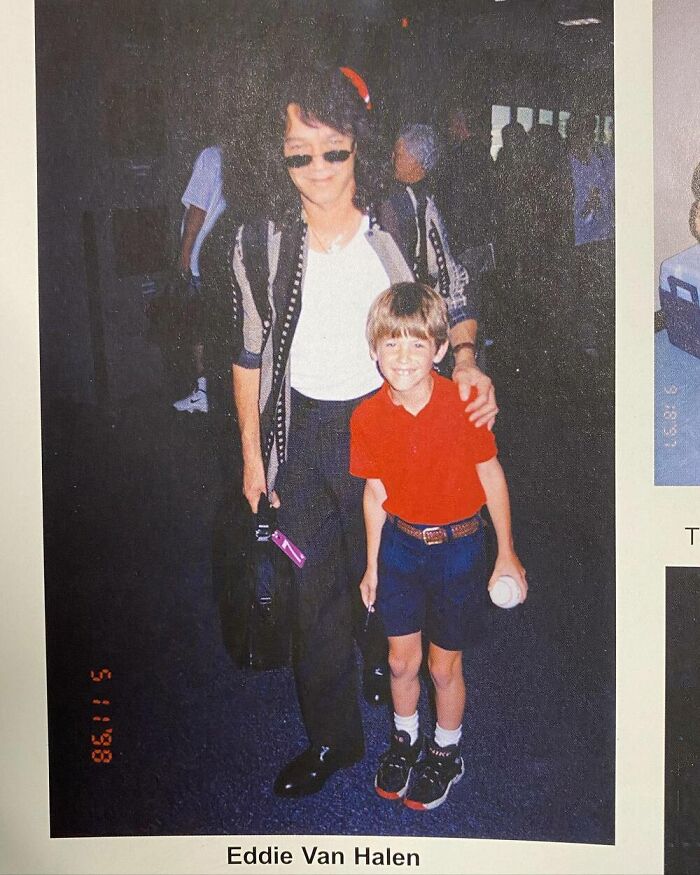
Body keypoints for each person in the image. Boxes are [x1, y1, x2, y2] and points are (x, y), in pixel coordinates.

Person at [229, 63, 497, 798]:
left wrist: (466, 360)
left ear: (360, 145)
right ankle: (333, 739)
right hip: (302, 435)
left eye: (334, 150)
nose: (318, 169)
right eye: (299, 154)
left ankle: (383, 654)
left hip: (395, 425)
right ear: (278, 157)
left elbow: (455, 290)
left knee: (389, 568)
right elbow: (248, 355)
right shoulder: (259, 241)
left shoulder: (403, 216)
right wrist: (253, 459)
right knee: (310, 587)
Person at [350, 281, 527, 810]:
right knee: (400, 663)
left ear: (441, 349)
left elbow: (491, 476)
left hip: (458, 550)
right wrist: (372, 566)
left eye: (418, 344)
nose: (404, 357)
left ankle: (446, 750)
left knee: (443, 666)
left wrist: (507, 551)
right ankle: (405, 739)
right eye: (392, 343)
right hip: (400, 551)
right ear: (374, 349)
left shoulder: (462, 403)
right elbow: (375, 493)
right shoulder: (367, 417)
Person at [172, 145, 227, 413]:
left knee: (199, 330)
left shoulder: (210, 156)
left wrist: (184, 256)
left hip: (200, 260)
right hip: (219, 261)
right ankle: (213, 394)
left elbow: (197, 210)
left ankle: (203, 393)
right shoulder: (232, 158)